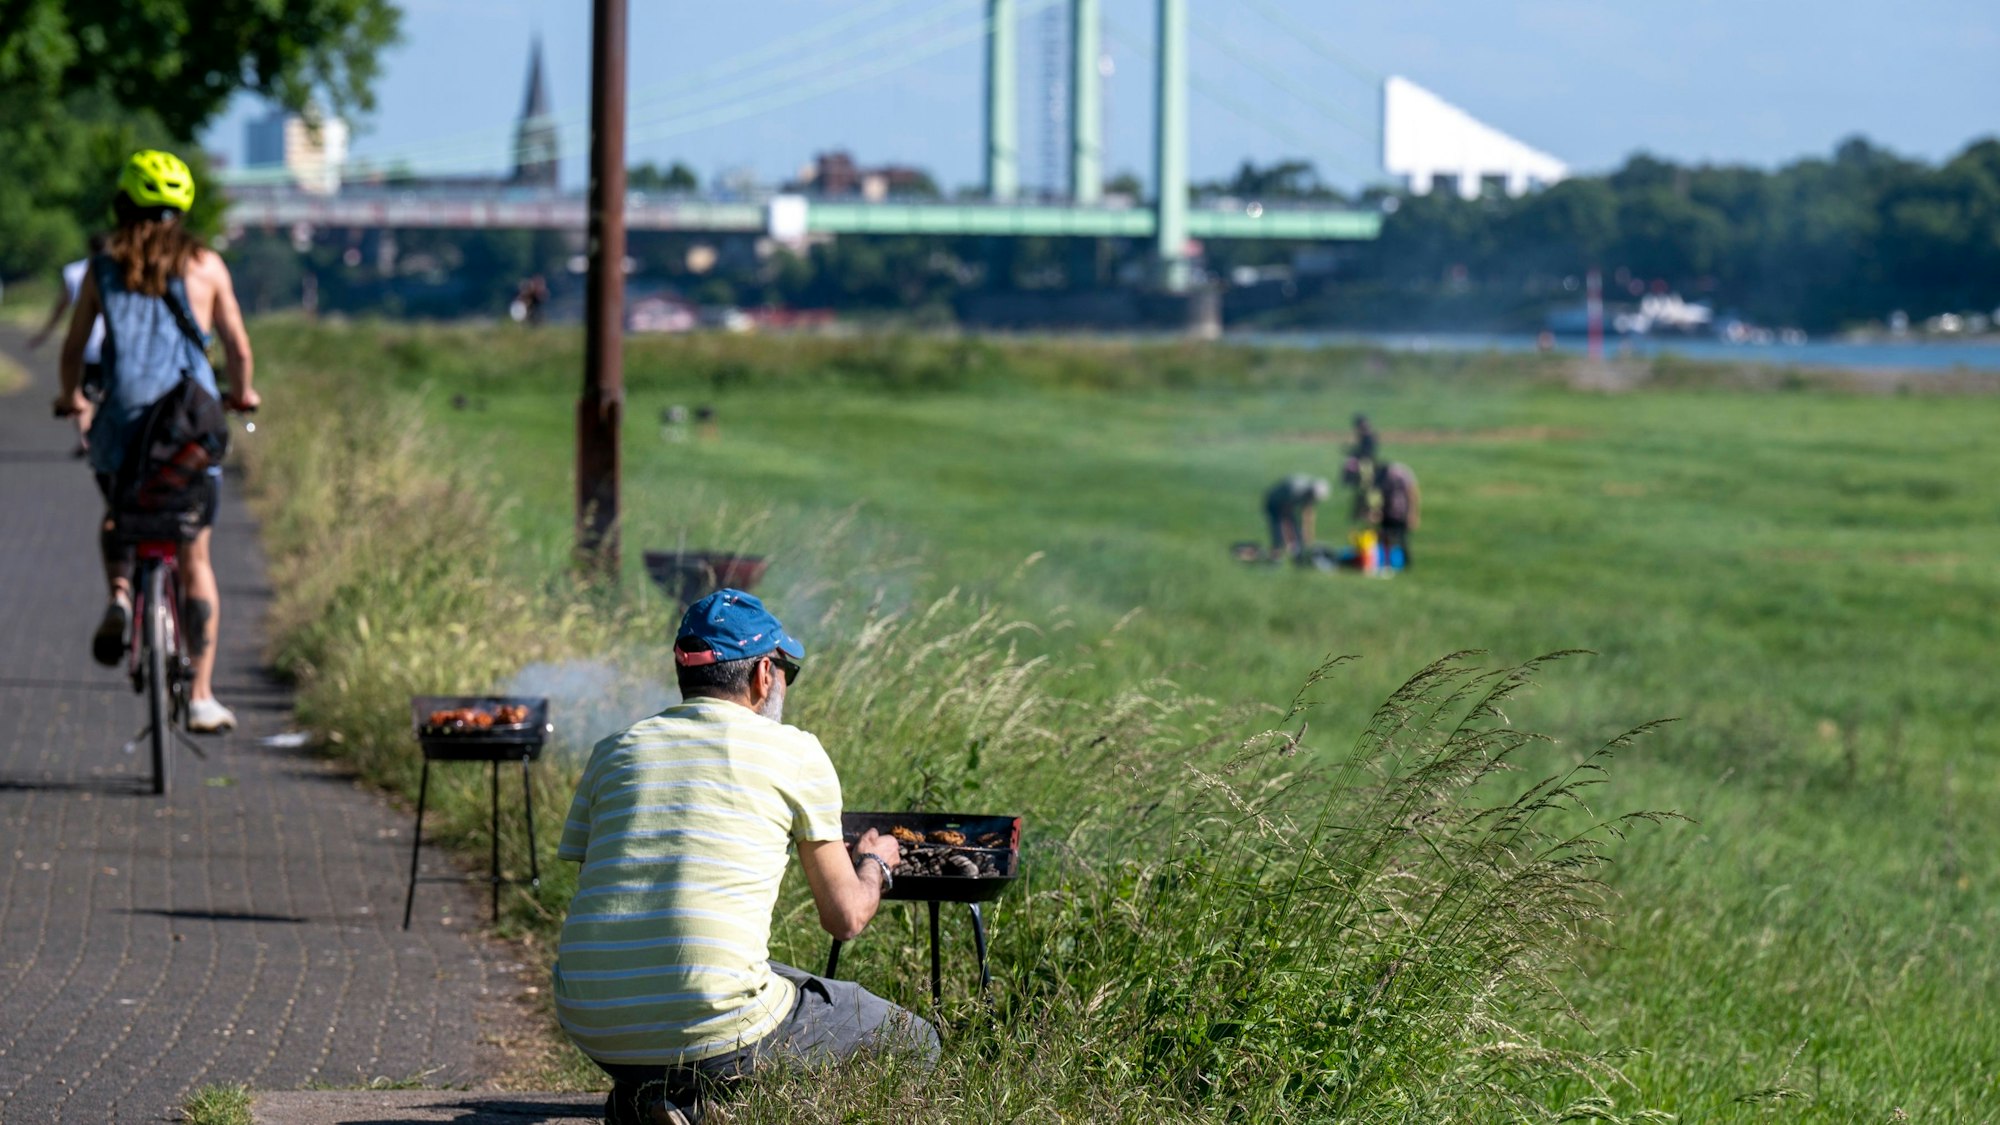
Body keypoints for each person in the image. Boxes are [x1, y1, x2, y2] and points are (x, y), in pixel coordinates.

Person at [555, 589, 938, 1125]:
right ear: (764, 674)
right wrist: (876, 864)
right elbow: (845, 917)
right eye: (786, 671)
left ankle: (649, 1099)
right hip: (710, 1020)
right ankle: (709, 1105)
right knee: (916, 1041)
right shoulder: (795, 752)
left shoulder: (614, 750)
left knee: (740, 981)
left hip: (590, 1014)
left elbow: (609, 884)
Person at [53, 150, 259, 732]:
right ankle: (200, 694)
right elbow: (238, 349)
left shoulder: (102, 267)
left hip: (122, 426)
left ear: (123, 204)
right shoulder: (207, 266)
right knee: (195, 554)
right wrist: (242, 394)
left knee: (120, 516)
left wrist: (73, 398)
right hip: (189, 431)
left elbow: (73, 351)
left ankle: (120, 592)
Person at [29, 235, 110, 455]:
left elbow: (61, 308)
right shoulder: (119, 269)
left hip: (85, 342)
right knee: (106, 393)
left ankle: (85, 438)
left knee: (80, 394)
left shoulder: (75, 272)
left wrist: (44, 334)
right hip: (111, 345)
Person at [1263, 474, 1330, 560]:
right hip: (1274, 502)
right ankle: (1277, 550)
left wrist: (1308, 535)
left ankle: (1298, 547)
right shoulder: (1298, 489)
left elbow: (1308, 514)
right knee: (1278, 525)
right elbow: (1286, 515)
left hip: (1286, 505)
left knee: (1294, 524)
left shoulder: (1309, 494)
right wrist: (1289, 538)